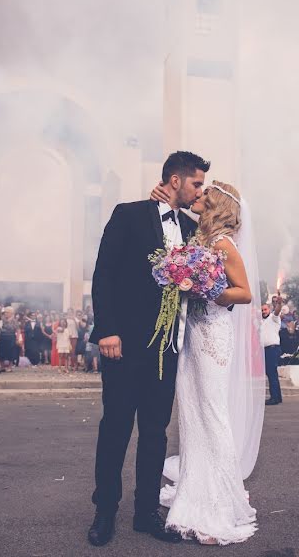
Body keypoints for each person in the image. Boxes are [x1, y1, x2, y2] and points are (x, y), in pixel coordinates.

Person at [86, 151, 209, 547]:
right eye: (195, 184)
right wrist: (107, 330)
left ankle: (146, 513)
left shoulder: (192, 230)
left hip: (168, 347)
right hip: (124, 344)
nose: (199, 192)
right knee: (116, 428)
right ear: (175, 180)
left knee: (155, 432)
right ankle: (105, 511)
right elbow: (103, 271)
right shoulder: (129, 214)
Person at [151, 179, 264, 545]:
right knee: (192, 412)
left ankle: (219, 504)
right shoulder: (201, 242)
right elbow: (175, 210)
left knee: (212, 412)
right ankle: (195, 490)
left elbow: (244, 292)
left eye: (202, 195)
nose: (196, 197)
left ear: (215, 205)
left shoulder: (222, 244)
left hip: (213, 335)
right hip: (193, 335)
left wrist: (203, 289)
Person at [261, 295, 284, 406]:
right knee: (271, 373)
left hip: (272, 349)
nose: (263, 311)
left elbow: (277, 311)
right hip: (267, 350)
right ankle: (277, 397)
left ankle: (274, 397)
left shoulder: (273, 318)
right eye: (262, 310)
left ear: (269, 309)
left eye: (265, 309)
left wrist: (279, 304)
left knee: (271, 373)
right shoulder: (262, 322)